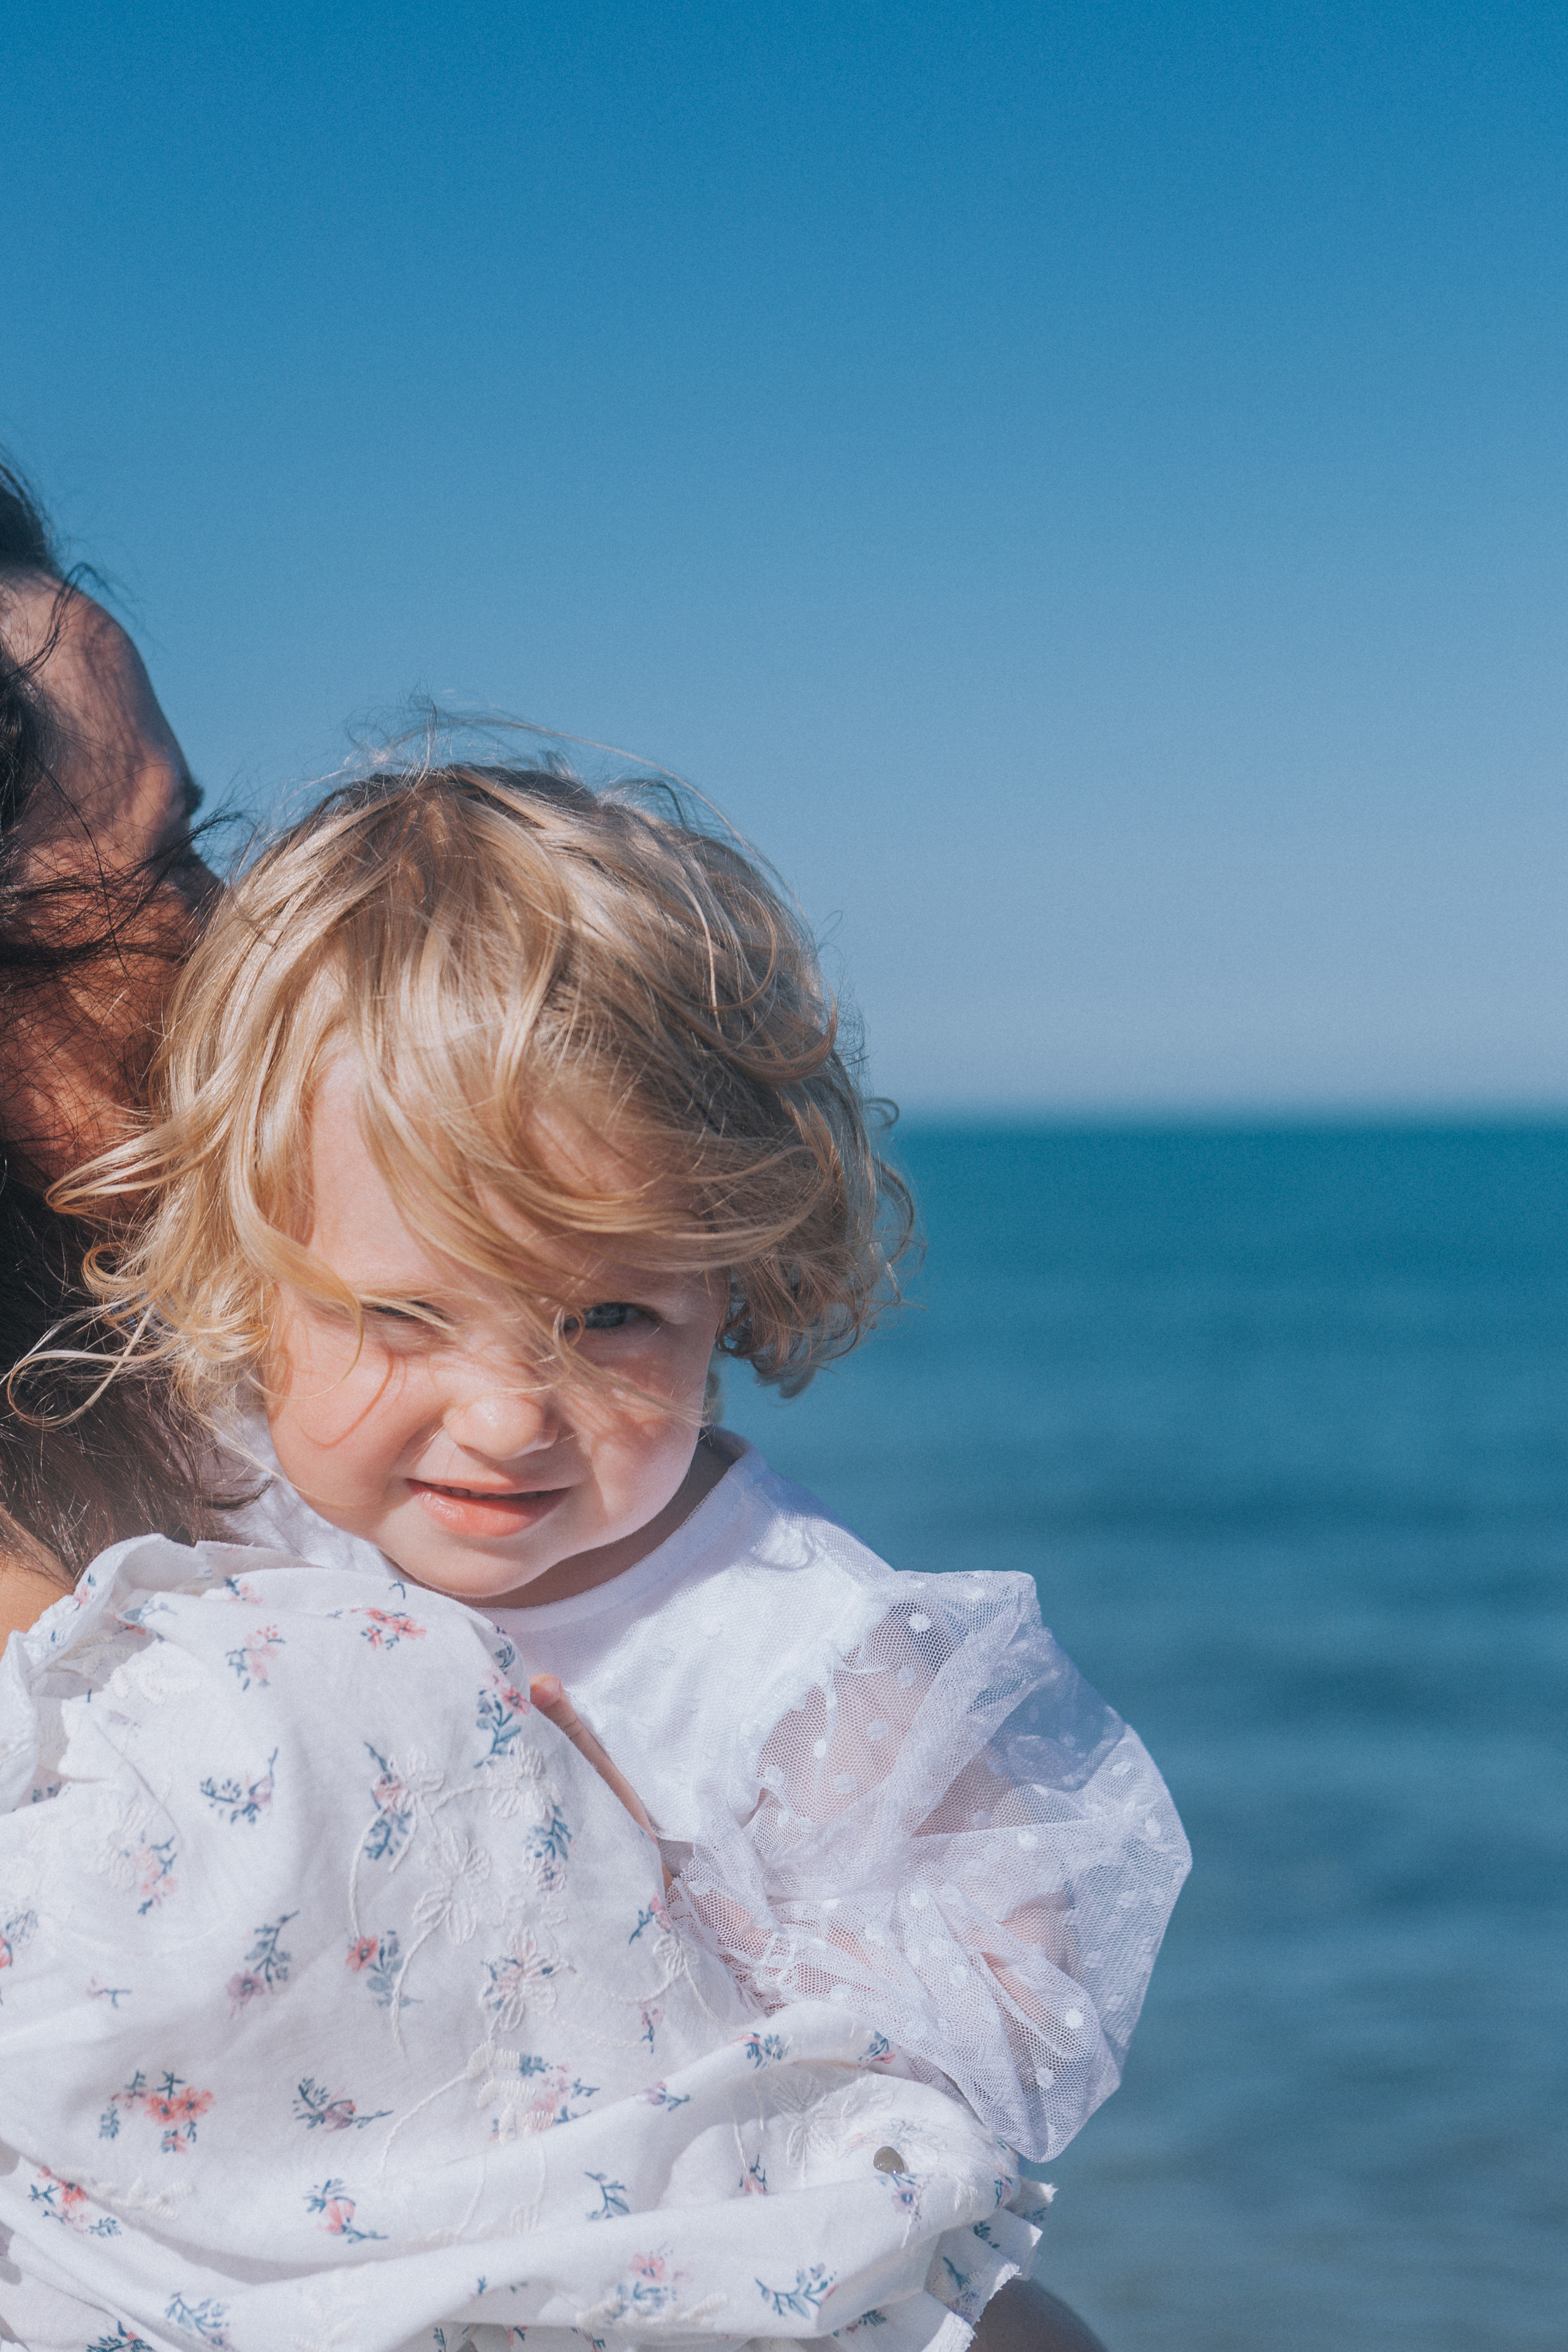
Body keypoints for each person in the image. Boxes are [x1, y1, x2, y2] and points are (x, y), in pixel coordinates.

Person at [0, 763, 1186, 2348]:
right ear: (247, 1269)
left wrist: (666, 1899)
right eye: (401, 1316)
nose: (502, 1421)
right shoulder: (240, 1505)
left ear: (733, 1280)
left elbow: (1004, 2030)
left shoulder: (793, 1659)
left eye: (607, 1317)